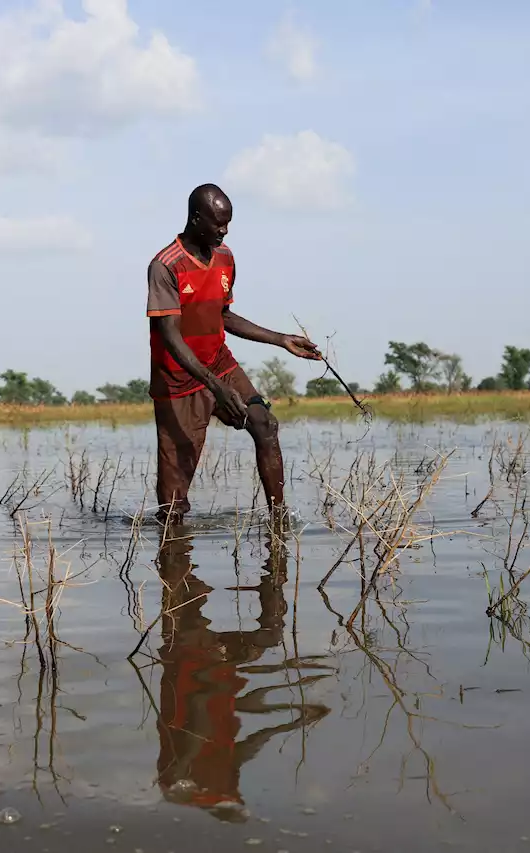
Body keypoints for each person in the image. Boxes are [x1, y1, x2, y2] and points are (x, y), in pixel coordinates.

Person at [146, 183, 321, 524]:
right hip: (178, 381)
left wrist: (279, 338)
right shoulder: (165, 266)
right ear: (196, 219)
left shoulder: (225, 257)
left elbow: (223, 315)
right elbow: (169, 335)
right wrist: (214, 387)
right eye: (218, 224)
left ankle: (279, 522)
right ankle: (172, 555)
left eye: (228, 223)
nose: (224, 231)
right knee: (173, 507)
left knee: (265, 424)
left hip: (219, 362)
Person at [153, 532, 331, 821]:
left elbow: (199, 709)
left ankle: (179, 557)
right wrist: (294, 716)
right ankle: (266, 570)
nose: (238, 794)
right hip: (208, 675)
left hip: (193, 671)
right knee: (268, 636)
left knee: (189, 599)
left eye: (234, 799)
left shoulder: (193, 781)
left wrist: (291, 703)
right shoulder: (216, 776)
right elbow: (253, 739)